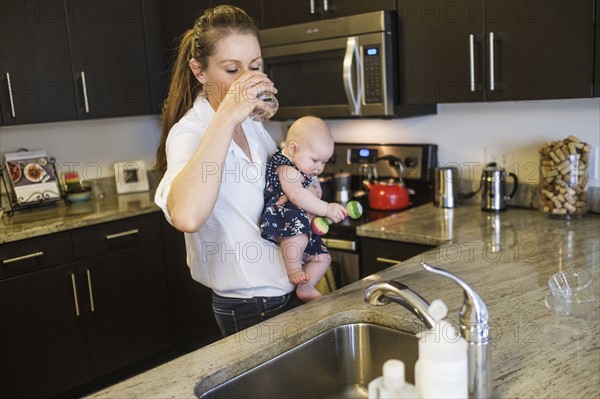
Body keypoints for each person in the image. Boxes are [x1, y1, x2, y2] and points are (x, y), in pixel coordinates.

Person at [154, 5, 303, 337]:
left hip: (284, 290)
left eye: (254, 67)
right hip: (250, 307)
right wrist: (229, 114)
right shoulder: (190, 134)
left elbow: (271, 193)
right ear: (199, 71)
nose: (246, 80)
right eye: (232, 69)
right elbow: (186, 217)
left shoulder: (251, 125)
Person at [260, 116, 347, 302]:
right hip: (285, 217)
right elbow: (297, 195)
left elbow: (311, 191)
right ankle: (294, 270)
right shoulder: (285, 167)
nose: (319, 168)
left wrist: (315, 189)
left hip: (302, 222)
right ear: (293, 149)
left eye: (324, 163)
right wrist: (326, 208)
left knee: (323, 258)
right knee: (296, 238)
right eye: (315, 160)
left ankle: (306, 287)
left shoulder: (303, 165)